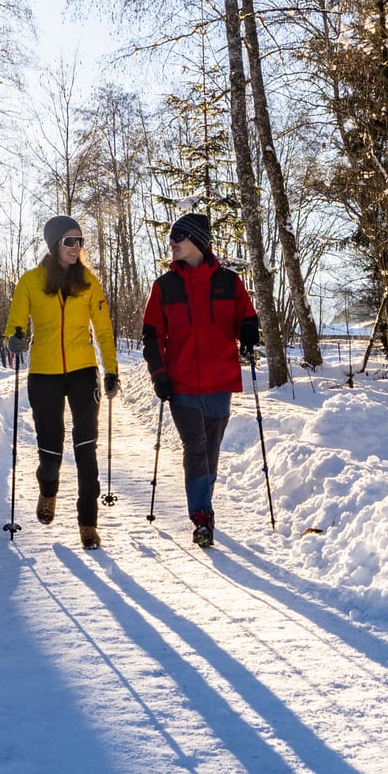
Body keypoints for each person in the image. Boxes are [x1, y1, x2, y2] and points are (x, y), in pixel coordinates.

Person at [142, 211, 258, 548]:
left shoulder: (229, 282)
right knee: (195, 449)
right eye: (172, 238)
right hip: (181, 386)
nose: (172, 243)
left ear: (197, 241)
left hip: (220, 381)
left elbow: (245, 317)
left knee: (210, 449)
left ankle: (202, 506)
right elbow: (151, 336)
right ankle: (202, 516)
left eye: (178, 237)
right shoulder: (164, 286)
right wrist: (158, 374)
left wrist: (249, 329)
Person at [4, 215, 120, 550]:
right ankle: (48, 488)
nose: (76, 247)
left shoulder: (89, 282)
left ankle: (88, 523)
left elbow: (104, 330)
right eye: (69, 241)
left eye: (80, 241)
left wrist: (110, 370)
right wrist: (15, 338)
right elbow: (15, 322)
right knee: (51, 449)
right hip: (44, 373)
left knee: (87, 449)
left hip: (83, 371)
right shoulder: (31, 281)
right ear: (54, 244)